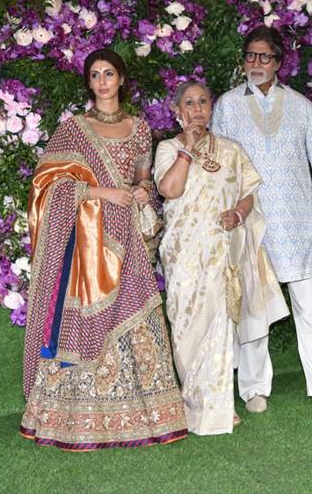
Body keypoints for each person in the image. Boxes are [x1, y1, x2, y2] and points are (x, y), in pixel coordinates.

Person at [20, 48, 188, 451]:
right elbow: (47, 185)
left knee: (137, 309)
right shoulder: (75, 129)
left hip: (128, 235)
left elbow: (144, 180)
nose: (101, 82)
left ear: (121, 78)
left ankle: (150, 414)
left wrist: (140, 192)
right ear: (89, 82)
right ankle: (72, 418)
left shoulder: (141, 127)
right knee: (87, 323)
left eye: (108, 73)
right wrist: (101, 192)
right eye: (94, 75)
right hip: (87, 244)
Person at [211, 26, 312, 412]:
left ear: (279, 62)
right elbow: (219, 169)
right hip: (250, 225)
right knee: (255, 312)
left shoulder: (303, 107)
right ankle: (254, 389)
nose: (256, 64)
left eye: (264, 57)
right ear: (243, 61)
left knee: (311, 310)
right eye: (250, 56)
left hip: (301, 228)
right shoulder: (225, 106)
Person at [155, 81, 288, 435]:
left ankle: (216, 405)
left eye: (203, 102)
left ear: (211, 107)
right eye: (189, 103)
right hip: (183, 254)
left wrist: (239, 216)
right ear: (177, 111)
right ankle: (192, 401)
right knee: (185, 327)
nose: (197, 109)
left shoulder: (231, 150)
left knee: (218, 324)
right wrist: (188, 148)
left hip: (220, 252)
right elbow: (170, 189)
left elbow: (248, 194)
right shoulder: (168, 148)